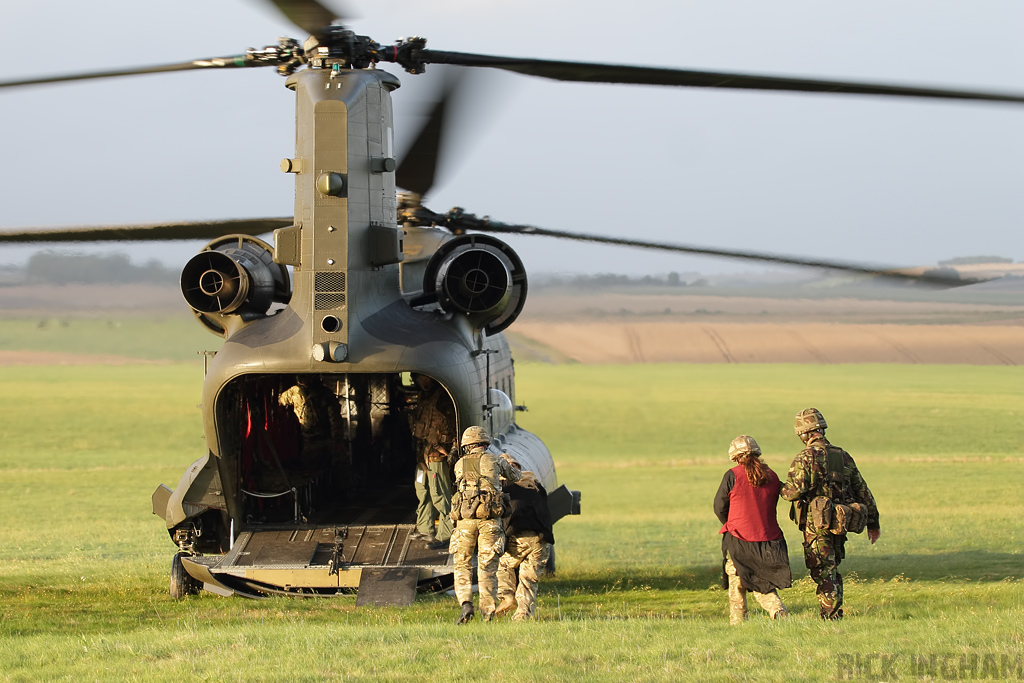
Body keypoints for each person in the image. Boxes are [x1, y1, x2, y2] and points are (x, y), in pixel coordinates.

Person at [781, 408, 880, 620]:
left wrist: (777, 487)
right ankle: (834, 612)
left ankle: (831, 615)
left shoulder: (805, 457)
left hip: (816, 525)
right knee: (832, 567)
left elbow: (791, 493)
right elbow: (863, 491)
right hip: (840, 521)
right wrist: (873, 523)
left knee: (823, 569)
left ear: (804, 434)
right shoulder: (842, 456)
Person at [713, 435, 792, 625]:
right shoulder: (771, 475)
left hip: (739, 539)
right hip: (770, 540)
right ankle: (777, 610)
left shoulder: (732, 475)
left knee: (737, 580)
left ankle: (738, 624)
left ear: (735, 456)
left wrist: (731, 523)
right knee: (761, 581)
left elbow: (719, 506)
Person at [450, 425, 521, 624]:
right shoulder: (494, 460)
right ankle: (487, 613)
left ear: (467, 444)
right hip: (489, 520)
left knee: (462, 562)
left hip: (464, 520)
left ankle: (465, 603)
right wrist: (509, 461)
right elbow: (515, 476)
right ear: (484, 443)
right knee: (487, 566)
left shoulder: (459, 464)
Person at [495, 468, 555, 621]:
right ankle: (523, 615)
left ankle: (507, 596)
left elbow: (507, 523)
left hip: (520, 538)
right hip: (542, 541)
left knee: (502, 564)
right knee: (528, 579)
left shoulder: (505, 489)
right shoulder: (535, 486)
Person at [407, 374, 456, 545]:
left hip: (436, 456)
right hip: (422, 455)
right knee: (422, 490)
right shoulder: (424, 397)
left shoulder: (443, 398)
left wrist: (448, 451)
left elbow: (454, 426)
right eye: (419, 379)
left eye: (424, 378)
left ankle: (445, 534)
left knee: (439, 494)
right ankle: (425, 528)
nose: (422, 382)